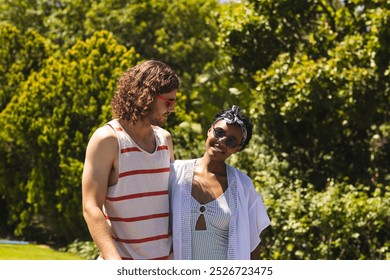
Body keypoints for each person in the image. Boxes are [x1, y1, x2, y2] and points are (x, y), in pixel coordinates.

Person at [82, 60, 180, 260]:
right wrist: (114, 263)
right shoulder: (108, 140)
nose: (172, 109)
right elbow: (91, 206)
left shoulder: (165, 139)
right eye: (168, 102)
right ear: (147, 96)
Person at [169, 105, 270, 260]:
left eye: (231, 141)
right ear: (210, 130)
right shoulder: (175, 173)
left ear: (237, 148)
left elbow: (253, 244)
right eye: (219, 132)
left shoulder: (243, 186)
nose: (222, 141)